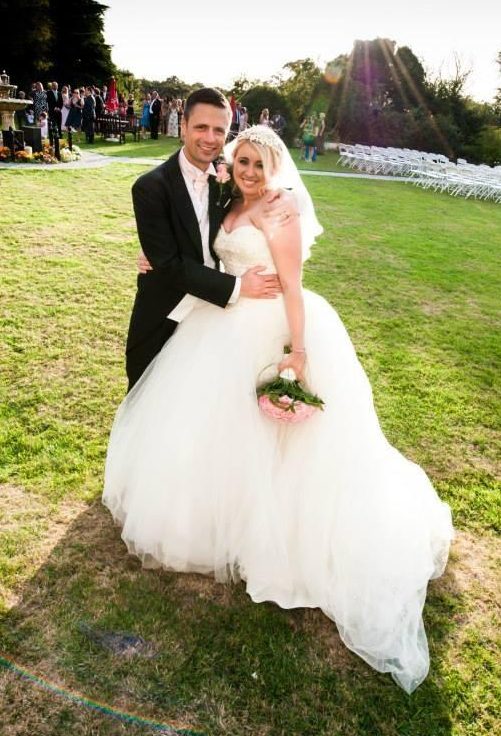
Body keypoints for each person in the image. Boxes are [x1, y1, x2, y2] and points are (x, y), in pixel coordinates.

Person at [103, 121, 453, 694]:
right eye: (241, 163)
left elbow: (292, 284)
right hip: (219, 324)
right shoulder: (228, 202)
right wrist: (154, 258)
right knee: (211, 429)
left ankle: (272, 533)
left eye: (257, 165)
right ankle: (218, 516)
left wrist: (298, 351)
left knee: (277, 441)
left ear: (275, 168)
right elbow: (197, 249)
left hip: (270, 329)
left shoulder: (281, 208)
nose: (247, 172)